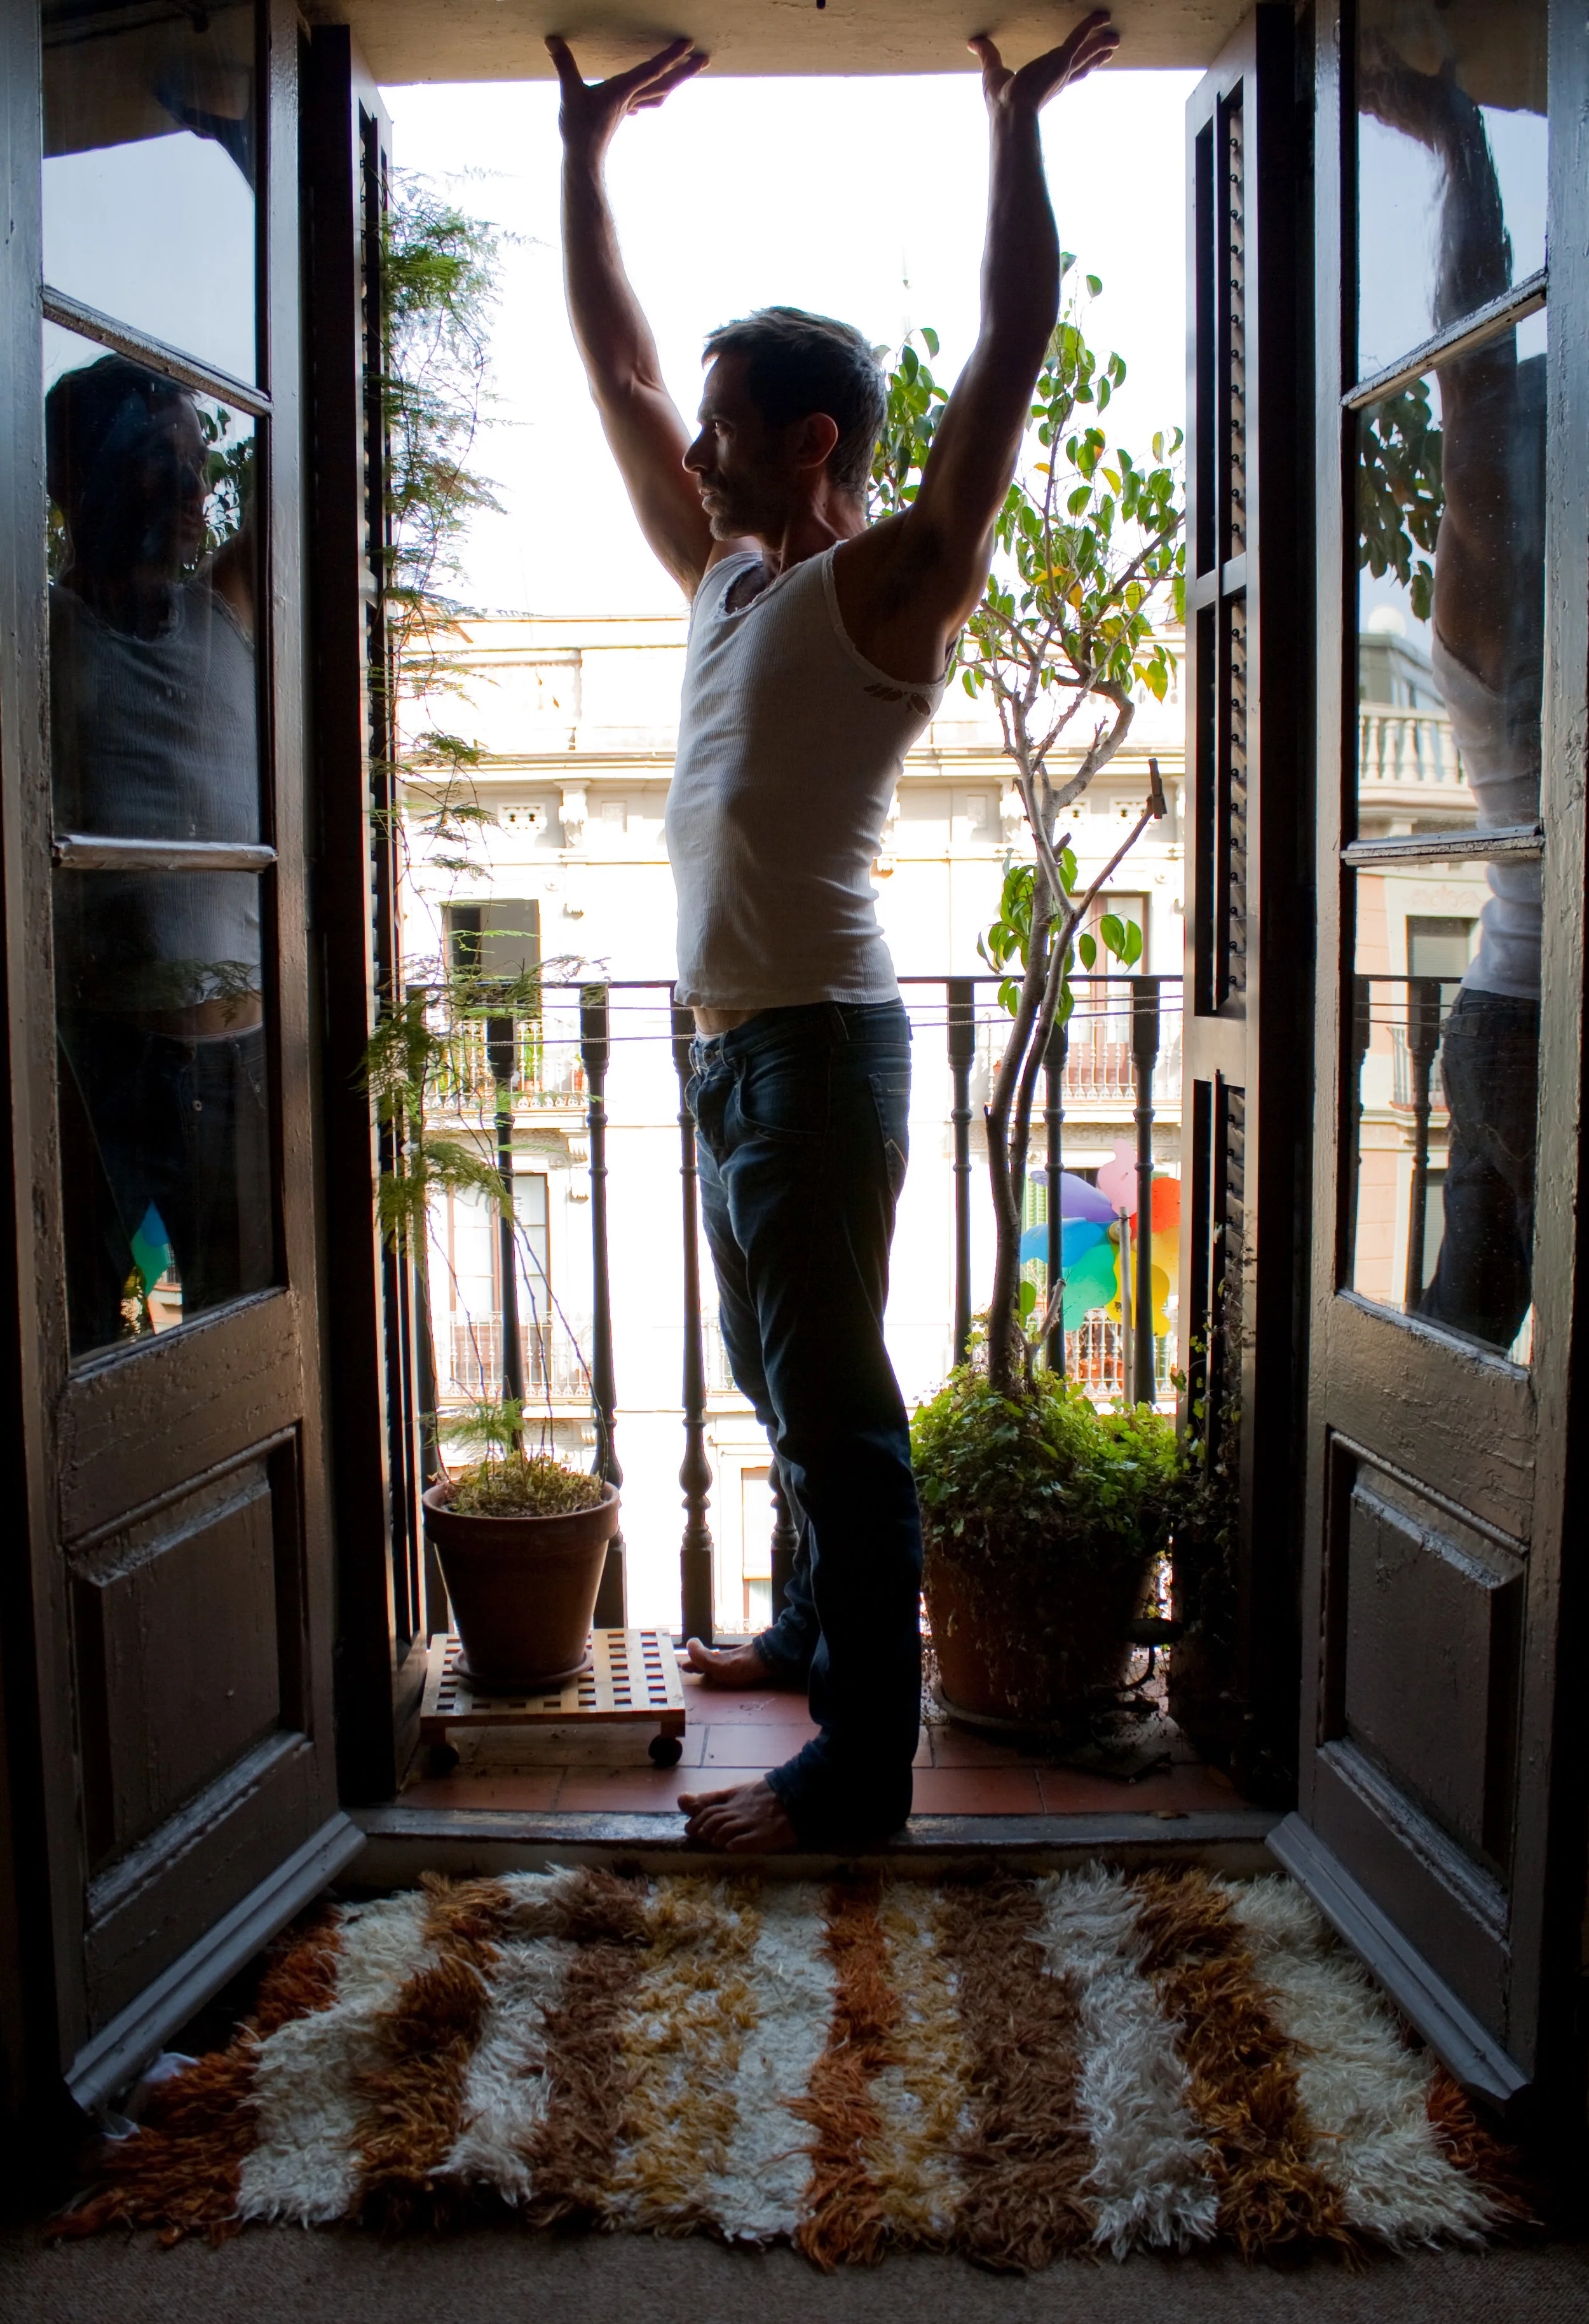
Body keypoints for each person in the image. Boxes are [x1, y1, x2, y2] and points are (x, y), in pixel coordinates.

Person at [549, 11, 1120, 1848]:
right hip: (732, 1046)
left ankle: (856, 1774)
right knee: (772, 1377)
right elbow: (629, 381)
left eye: (729, 434)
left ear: (808, 445)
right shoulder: (723, 572)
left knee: (839, 1410)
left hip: (814, 1044)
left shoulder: (887, 590)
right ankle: (805, 1635)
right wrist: (581, 161)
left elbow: (1009, 362)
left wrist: (1012, 126)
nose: (692, 455)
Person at [1359, 44, 1545, 1352]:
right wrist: (1453, 137)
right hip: (1534, 1031)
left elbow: (1475, 389)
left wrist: (1455, 141)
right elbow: (1471, 384)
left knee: (1455, 1370)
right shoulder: (1502, 639)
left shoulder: (1485, 642)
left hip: (1491, 1015)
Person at [47, 354, 268, 1353]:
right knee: (113, 1330)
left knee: (246, 1327)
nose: (191, 489)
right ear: (74, 480)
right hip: (104, 1070)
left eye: (197, 462)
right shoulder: (37, 633)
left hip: (246, 1066)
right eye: (157, 460)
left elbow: (301, 471)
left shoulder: (223, 609)